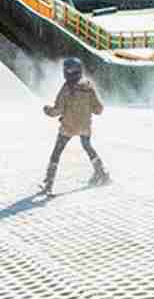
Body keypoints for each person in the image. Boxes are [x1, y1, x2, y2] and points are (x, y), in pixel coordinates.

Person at [38, 58, 109, 196]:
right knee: (87, 146)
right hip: (85, 126)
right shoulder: (88, 86)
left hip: (68, 127)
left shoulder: (66, 87)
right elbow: (98, 109)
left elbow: (57, 110)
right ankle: (101, 173)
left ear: (66, 72)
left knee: (57, 152)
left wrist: (47, 110)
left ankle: (49, 183)